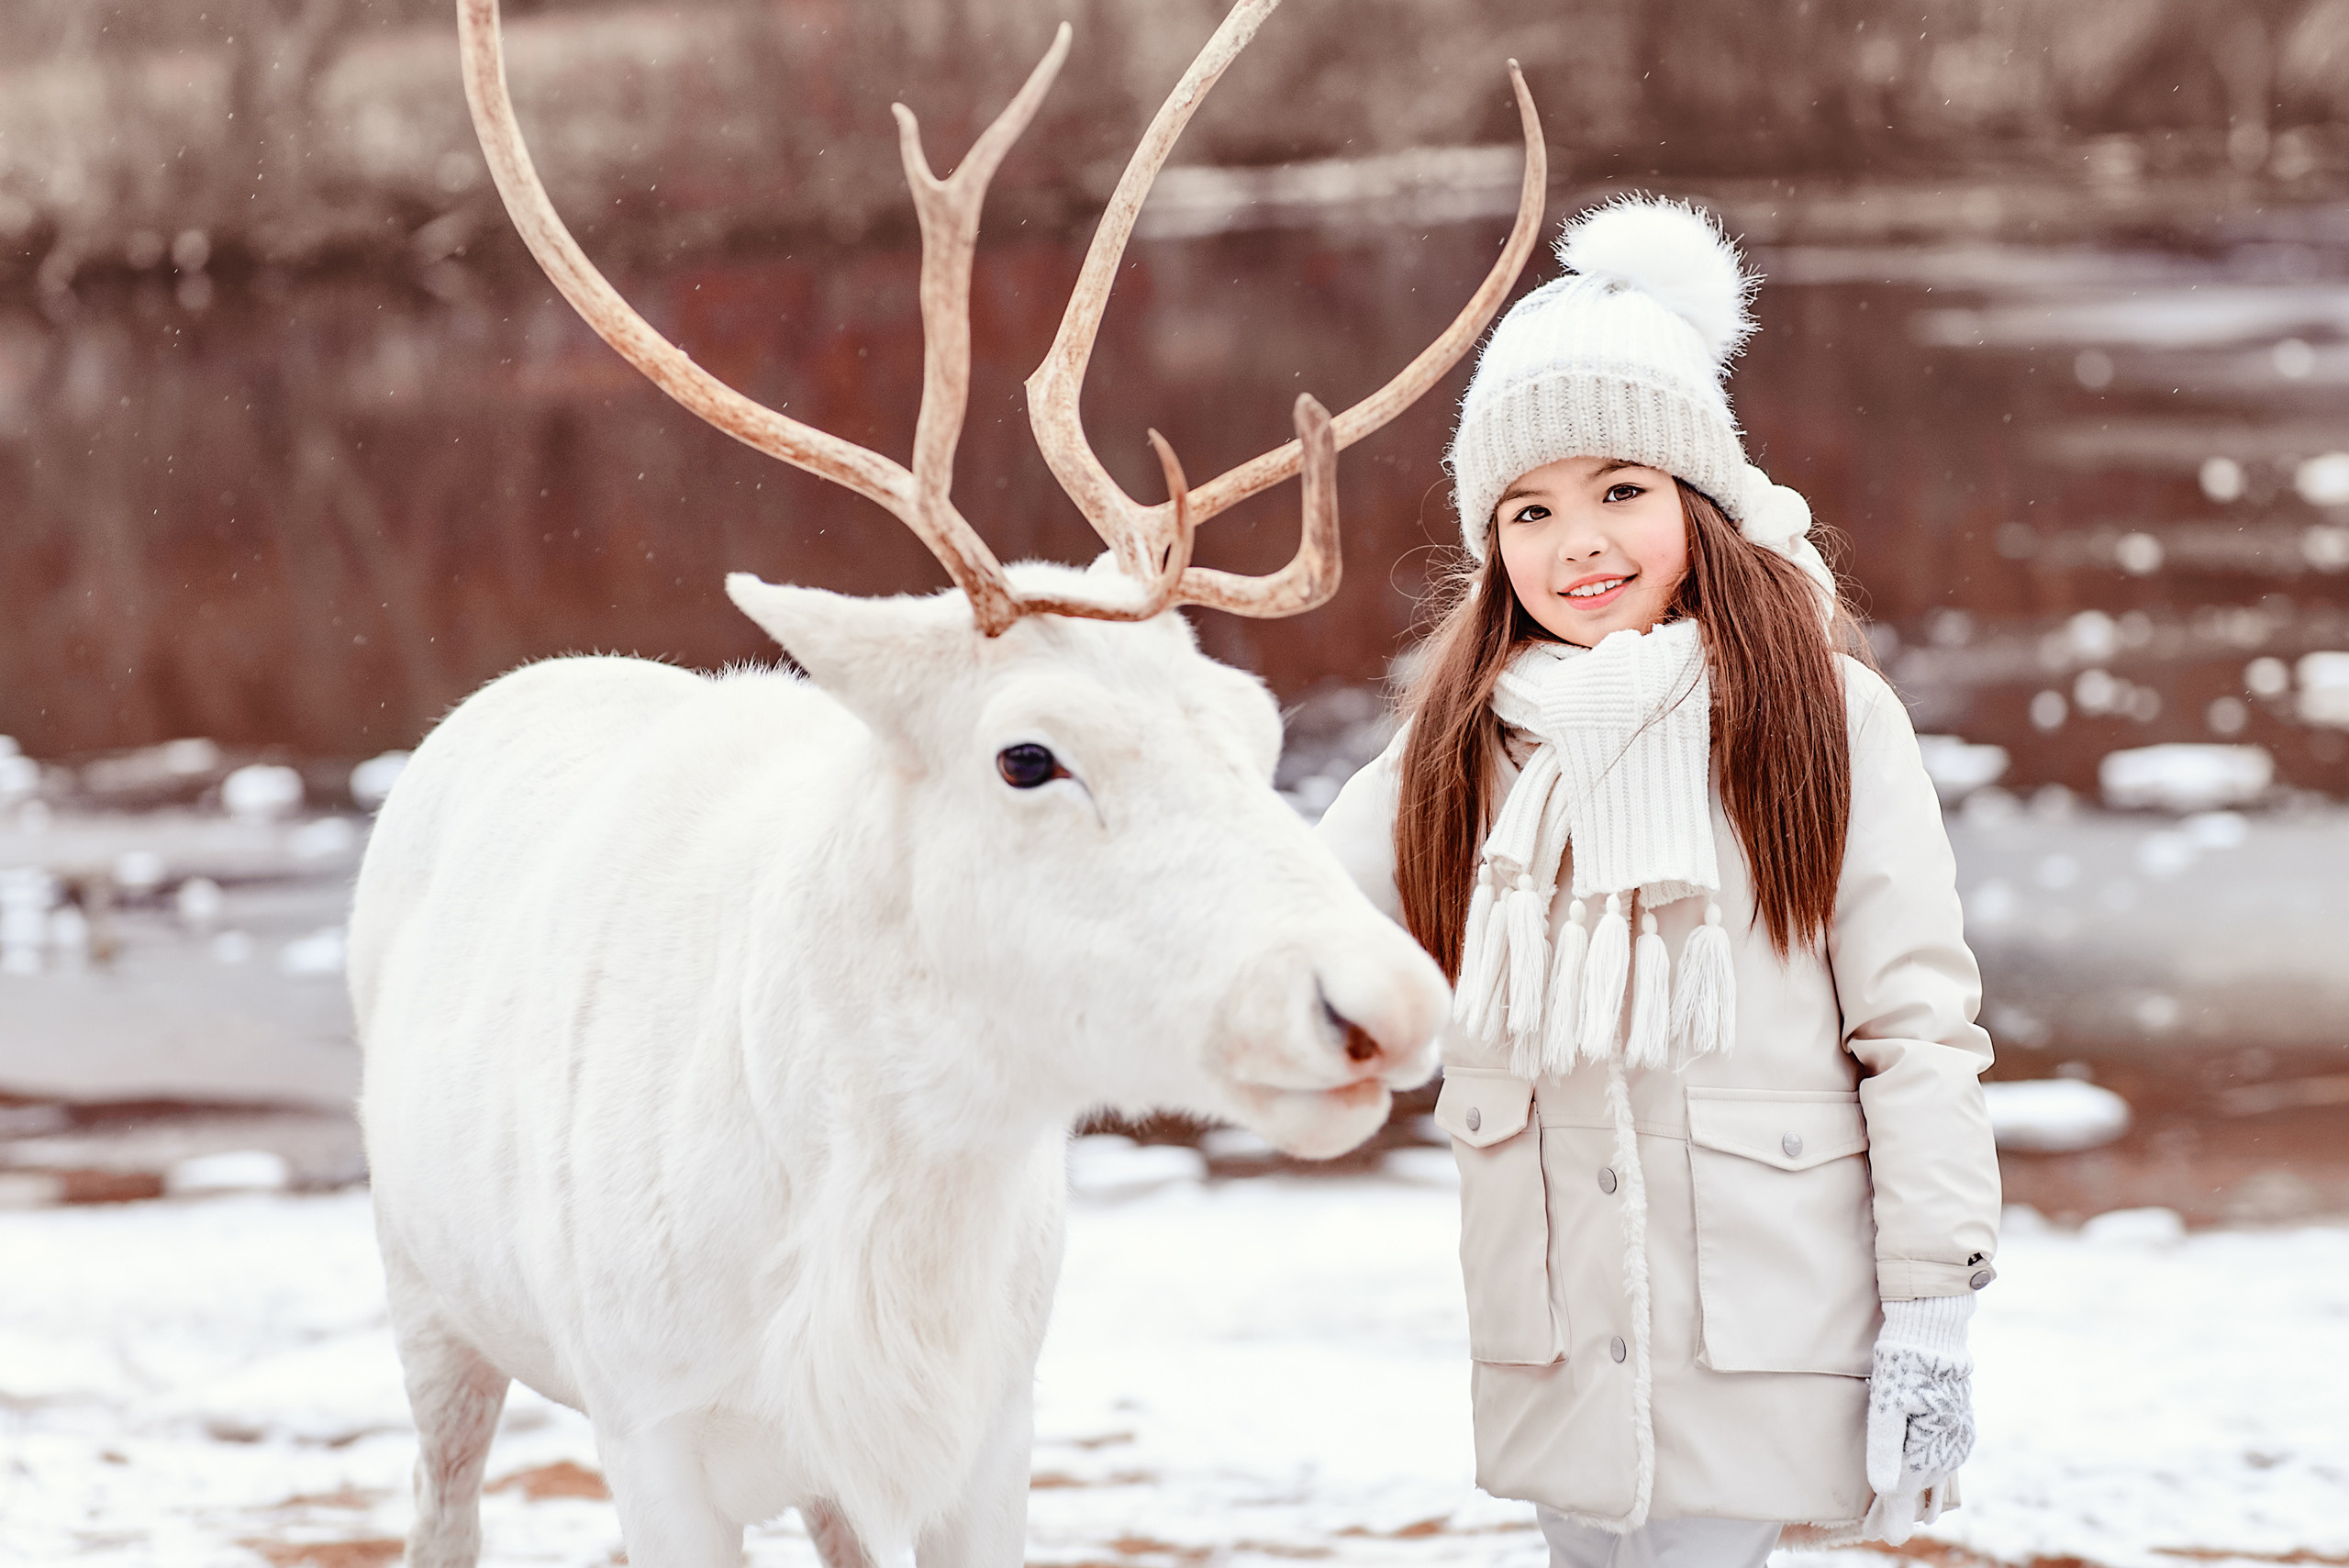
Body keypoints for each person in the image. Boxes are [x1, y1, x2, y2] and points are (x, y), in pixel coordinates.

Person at [1315, 197, 2002, 1568]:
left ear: (1702, 498)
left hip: (1760, 1319)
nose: (1580, 544)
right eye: (1531, 508)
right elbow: (1305, 927)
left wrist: (1933, 1311)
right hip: (1558, 1337)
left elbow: (1915, 1031)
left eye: (1623, 489)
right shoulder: (1459, 741)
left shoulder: (1825, 717)